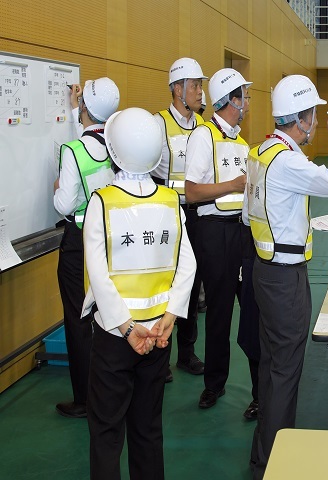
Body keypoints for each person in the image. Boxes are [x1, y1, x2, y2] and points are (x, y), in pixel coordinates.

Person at [82, 107, 196, 480]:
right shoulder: (169, 200)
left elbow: (98, 274)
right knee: (148, 429)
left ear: (114, 151)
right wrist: (169, 318)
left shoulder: (102, 201)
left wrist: (128, 329)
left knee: (106, 429)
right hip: (158, 337)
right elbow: (188, 265)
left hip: (118, 337)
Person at [245, 74, 328, 479]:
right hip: (285, 280)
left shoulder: (261, 153)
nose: (316, 124)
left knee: (273, 369)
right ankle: (275, 464)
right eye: (313, 117)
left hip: (263, 271)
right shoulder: (288, 160)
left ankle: (263, 458)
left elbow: (248, 213)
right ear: (303, 118)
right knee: (285, 374)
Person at [184, 68, 258, 417]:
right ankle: (214, 384)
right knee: (219, 312)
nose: (247, 102)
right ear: (231, 101)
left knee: (253, 310)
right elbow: (193, 192)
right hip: (213, 233)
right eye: (244, 95)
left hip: (243, 232)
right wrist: (231, 185)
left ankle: (261, 390)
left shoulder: (242, 143)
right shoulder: (203, 136)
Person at [53, 77, 120, 418]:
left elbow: (63, 204)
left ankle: (84, 400)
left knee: (78, 321)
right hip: (106, 238)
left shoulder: (73, 151)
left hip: (77, 243)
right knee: (103, 313)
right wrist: (74, 111)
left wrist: (56, 188)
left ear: (84, 108)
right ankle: (108, 388)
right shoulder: (115, 145)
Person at [152, 57, 208, 382]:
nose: (201, 93)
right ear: (177, 89)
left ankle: (186, 353)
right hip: (168, 212)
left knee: (192, 281)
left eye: (201, 86)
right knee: (166, 283)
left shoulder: (203, 128)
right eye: (195, 86)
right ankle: (161, 354)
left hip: (196, 212)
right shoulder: (158, 124)